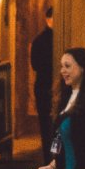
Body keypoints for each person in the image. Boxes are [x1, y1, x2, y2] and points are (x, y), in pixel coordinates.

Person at [29, 8, 56, 142]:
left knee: (45, 125)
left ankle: (49, 156)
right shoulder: (57, 40)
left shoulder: (38, 41)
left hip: (42, 85)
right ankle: (55, 157)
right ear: (48, 19)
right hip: (50, 85)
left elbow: (34, 64)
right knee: (55, 126)